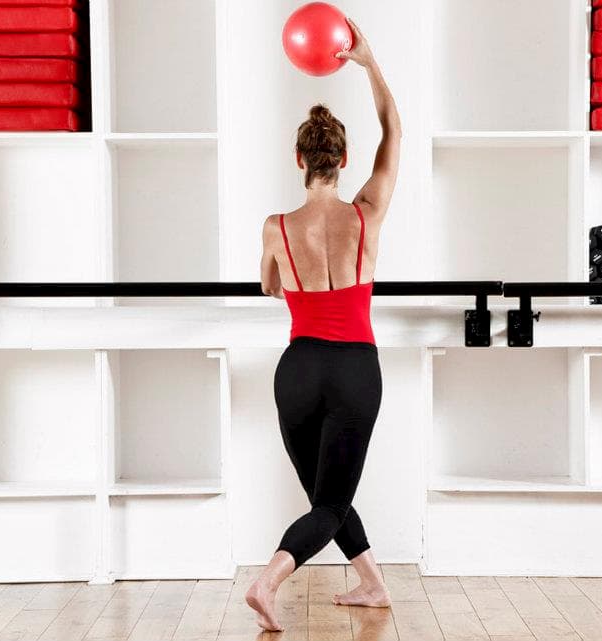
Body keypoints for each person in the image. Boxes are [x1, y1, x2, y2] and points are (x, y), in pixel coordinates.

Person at [245, 16, 402, 633]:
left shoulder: (275, 227)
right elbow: (394, 129)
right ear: (344, 159)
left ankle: (373, 583)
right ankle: (268, 581)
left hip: (298, 370)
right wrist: (368, 61)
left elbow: (269, 285)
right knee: (332, 500)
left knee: (324, 495)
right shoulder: (368, 213)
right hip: (355, 368)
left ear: (299, 160)